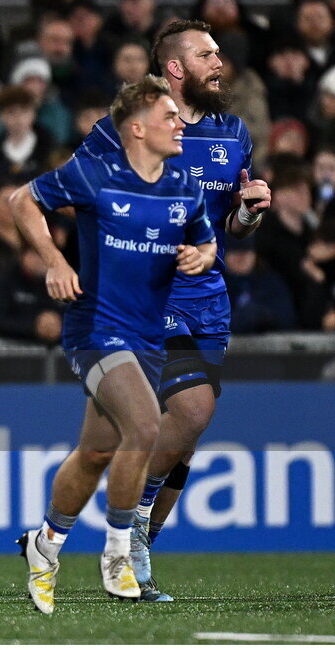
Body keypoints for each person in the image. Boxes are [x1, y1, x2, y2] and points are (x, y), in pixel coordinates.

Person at [73, 20, 270, 601]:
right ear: (176, 68)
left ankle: (131, 541)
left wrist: (251, 211)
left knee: (183, 432)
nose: (220, 62)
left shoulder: (234, 132)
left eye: (219, 53)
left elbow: (234, 225)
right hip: (149, 296)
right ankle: (127, 533)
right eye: (207, 54)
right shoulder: (132, 127)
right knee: (189, 410)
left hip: (209, 296)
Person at [12, 75, 218, 615]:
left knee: (98, 451)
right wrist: (55, 261)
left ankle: (46, 544)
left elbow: (205, 239)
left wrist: (204, 255)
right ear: (136, 128)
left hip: (148, 337)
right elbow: (21, 201)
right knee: (147, 426)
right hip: (95, 329)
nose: (179, 123)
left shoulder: (182, 187)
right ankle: (119, 554)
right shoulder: (93, 174)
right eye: (169, 115)